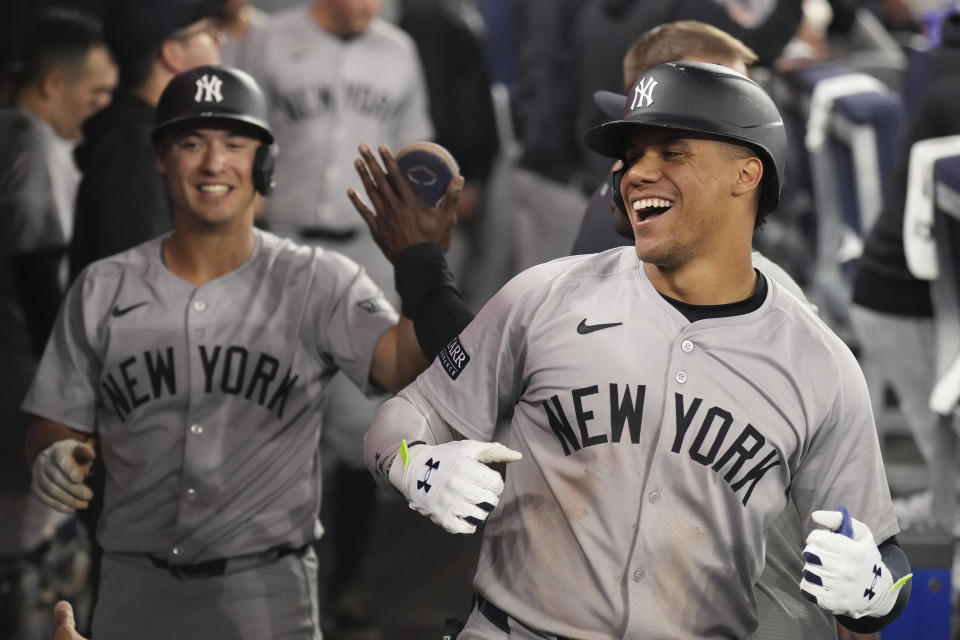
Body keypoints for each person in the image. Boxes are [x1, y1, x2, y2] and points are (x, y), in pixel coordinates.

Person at [358, 61, 911, 638]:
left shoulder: (819, 361)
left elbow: (886, 556)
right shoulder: (545, 294)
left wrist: (875, 590)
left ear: (746, 174)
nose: (635, 173)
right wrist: (413, 464)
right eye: (632, 155)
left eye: (671, 152)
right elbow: (400, 419)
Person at [24, 64, 454, 640]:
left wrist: (419, 262)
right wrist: (53, 451)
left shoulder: (318, 280)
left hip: (265, 596)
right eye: (191, 142)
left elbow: (401, 364)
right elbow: (53, 419)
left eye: (234, 143)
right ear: (160, 157)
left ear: (264, 164)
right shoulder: (104, 288)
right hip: (130, 589)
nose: (212, 163)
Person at [234, 2, 434, 633]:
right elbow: (238, 137)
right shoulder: (268, 40)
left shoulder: (398, 50)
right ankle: (255, 580)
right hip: (279, 245)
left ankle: (345, 581)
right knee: (263, 414)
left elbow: (417, 152)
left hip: (366, 253)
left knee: (361, 426)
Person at [0, 9, 116, 639]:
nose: (100, 106)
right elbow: (37, 276)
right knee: (27, 561)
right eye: (93, 93)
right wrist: (72, 384)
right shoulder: (30, 142)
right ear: (52, 84)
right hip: (19, 377)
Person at [69, 0, 224, 280]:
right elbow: (137, 280)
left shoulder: (148, 135)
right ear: (173, 54)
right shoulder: (136, 147)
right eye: (209, 30)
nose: (220, 39)